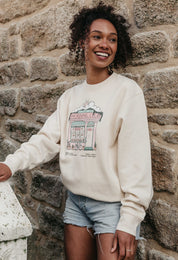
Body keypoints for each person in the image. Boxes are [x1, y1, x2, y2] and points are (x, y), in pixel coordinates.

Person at [0, 2, 153, 260]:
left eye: (112, 39)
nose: (104, 44)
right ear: (83, 41)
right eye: (97, 37)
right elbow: (46, 140)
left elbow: (136, 160)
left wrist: (129, 220)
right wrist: (11, 164)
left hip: (112, 208)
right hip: (76, 204)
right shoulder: (70, 98)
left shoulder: (127, 92)